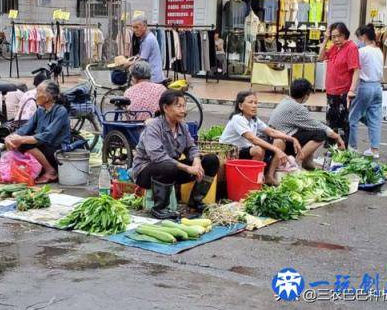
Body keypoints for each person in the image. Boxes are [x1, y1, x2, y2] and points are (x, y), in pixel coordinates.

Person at [132, 90, 220, 219]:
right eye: (178, 106)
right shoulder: (154, 127)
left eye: (184, 106)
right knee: (167, 165)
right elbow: (158, 157)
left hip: (171, 170)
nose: (183, 110)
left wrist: (196, 161)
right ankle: (159, 208)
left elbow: (191, 146)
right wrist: (187, 168)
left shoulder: (182, 126)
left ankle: (195, 201)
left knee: (212, 160)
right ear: (166, 108)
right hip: (146, 172)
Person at [219, 90, 301, 186]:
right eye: (250, 102)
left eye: (256, 103)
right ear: (241, 106)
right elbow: (253, 139)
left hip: (246, 150)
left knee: (279, 141)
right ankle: (250, 182)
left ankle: (269, 176)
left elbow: (272, 132)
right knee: (258, 150)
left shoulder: (254, 119)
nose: (254, 106)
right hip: (231, 152)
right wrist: (276, 150)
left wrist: (292, 139)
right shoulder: (238, 118)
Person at [269, 78, 346, 169]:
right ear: (306, 95)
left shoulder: (286, 101)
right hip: (283, 143)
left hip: (276, 139)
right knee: (320, 134)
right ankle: (296, 162)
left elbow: (311, 124)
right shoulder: (297, 108)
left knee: (310, 129)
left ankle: (308, 162)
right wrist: (337, 136)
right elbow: (318, 126)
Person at [4, 80, 70, 184]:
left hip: (57, 148)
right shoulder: (40, 111)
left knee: (24, 144)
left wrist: (21, 139)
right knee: (17, 142)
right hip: (44, 145)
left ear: (48, 97)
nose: (36, 95)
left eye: (39, 92)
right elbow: (26, 127)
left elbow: (48, 135)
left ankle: (51, 171)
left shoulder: (60, 111)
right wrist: (11, 137)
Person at [318, 22, 360, 146]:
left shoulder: (351, 47)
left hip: (343, 92)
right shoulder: (334, 48)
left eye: (339, 36)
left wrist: (351, 90)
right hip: (331, 91)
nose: (336, 39)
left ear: (345, 35)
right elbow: (320, 57)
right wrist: (325, 38)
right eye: (333, 37)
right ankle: (332, 150)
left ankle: (342, 150)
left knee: (342, 123)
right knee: (331, 122)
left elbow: (356, 70)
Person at [348, 24, 384, 158]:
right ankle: (375, 150)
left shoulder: (362, 51)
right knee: (374, 118)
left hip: (365, 86)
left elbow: (356, 70)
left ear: (363, 37)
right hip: (377, 87)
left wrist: (352, 89)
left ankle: (352, 147)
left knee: (353, 117)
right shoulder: (379, 51)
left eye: (358, 37)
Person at [127, 14, 165, 84]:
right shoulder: (144, 38)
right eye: (133, 27)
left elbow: (142, 60)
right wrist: (131, 59)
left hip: (153, 77)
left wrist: (127, 64)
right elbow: (141, 55)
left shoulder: (148, 40)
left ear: (144, 26)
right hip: (151, 75)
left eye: (136, 27)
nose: (134, 30)